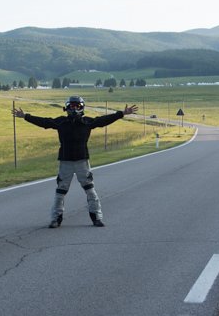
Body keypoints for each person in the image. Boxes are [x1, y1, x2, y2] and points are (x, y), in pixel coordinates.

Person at [13, 96, 137, 228]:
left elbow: (103, 120)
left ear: (82, 107)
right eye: (72, 106)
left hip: (82, 161)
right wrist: (25, 116)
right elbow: (44, 122)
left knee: (90, 190)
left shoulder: (87, 122)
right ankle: (56, 219)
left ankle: (96, 218)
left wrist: (121, 113)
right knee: (60, 191)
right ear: (66, 108)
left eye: (77, 106)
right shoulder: (61, 122)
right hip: (65, 161)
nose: (74, 108)